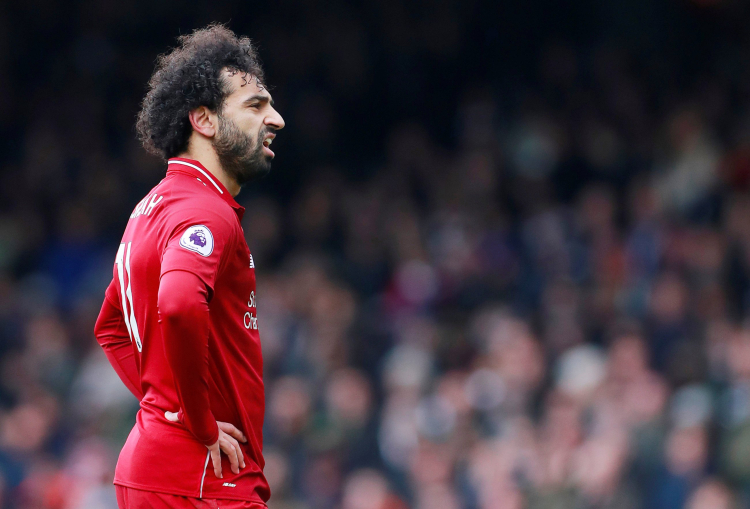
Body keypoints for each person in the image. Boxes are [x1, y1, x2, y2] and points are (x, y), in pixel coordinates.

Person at [93, 24, 285, 509]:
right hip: (204, 480)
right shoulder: (205, 211)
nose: (276, 119)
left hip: (157, 470)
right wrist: (196, 423)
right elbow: (179, 305)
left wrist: (168, 410)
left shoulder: (150, 209)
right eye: (255, 106)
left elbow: (111, 328)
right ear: (204, 120)